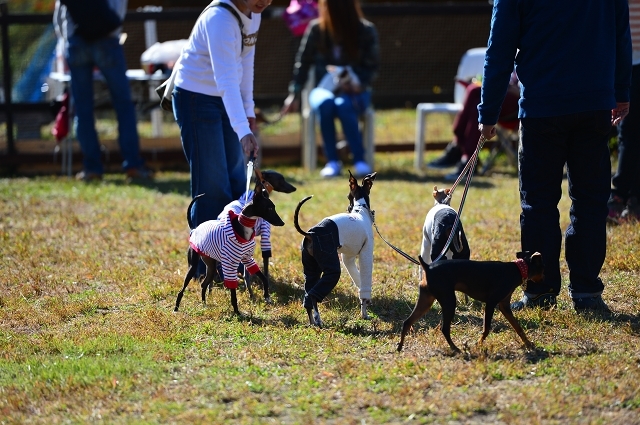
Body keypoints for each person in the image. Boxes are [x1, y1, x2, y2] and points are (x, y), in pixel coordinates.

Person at [477, 0, 632, 312]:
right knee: (589, 201)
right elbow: (620, 33)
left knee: (538, 203)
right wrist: (621, 91)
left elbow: (500, 47)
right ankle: (587, 291)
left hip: (542, 106)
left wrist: (489, 111)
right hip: (593, 102)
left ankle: (539, 289)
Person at [172, 0, 272, 276]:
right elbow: (226, 79)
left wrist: (248, 113)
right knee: (212, 184)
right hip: (196, 99)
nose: (265, 1)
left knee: (236, 182)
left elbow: (246, 65)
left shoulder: (254, 13)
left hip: (226, 100)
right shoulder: (220, 19)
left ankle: (233, 259)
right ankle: (203, 265)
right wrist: (243, 130)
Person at [53, 0, 152, 182]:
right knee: (124, 105)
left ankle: (92, 168)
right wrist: (110, 31)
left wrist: (69, 39)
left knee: (82, 109)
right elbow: (118, 10)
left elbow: (59, 16)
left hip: (76, 43)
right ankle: (133, 165)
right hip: (108, 41)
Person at [281, 0, 379, 178]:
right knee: (326, 103)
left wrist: (357, 84)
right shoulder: (317, 29)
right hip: (324, 89)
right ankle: (332, 161)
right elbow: (303, 63)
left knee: (344, 105)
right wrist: (294, 93)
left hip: (355, 92)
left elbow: (372, 67)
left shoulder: (365, 31)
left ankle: (359, 160)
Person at [429, 74, 520, 181]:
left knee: (477, 92)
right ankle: (464, 153)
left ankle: (461, 151)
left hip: (518, 109)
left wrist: (507, 86)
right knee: (474, 92)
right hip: (501, 102)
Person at [608, 0, 640, 224]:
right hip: (624, 58)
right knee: (627, 131)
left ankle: (622, 196)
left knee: (629, 131)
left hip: (631, 59)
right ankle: (626, 197)